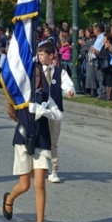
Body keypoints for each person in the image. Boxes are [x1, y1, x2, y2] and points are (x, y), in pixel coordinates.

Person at [1, 65, 59, 222]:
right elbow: (5, 79)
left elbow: (58, 115)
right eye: (30, 74)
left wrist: (44, 111)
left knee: (40, 183)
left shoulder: (46, 94)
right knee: (24, 185)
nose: (34, 78)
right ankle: (9, 199)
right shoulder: (19, 94)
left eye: (37, 74)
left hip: (42, 142)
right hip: (23, 140)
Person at [36, 40, 75, 181]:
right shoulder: (36, 71)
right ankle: (40, 167)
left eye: (42, 54)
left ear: (51, 55)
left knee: (53, 141)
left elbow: (67, 84)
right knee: (38, 139)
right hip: (38, 109)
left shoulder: (60, 72)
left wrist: (70, 90)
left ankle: (54, 170)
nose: (40, 57)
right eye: (38, 54)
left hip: (54, 111)